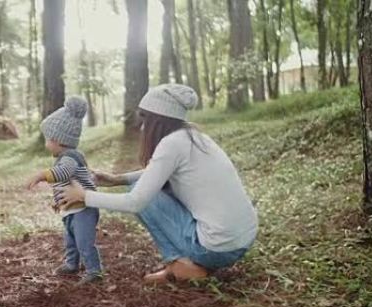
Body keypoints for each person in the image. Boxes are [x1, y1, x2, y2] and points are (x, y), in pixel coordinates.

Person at [57, 84, 258, 283]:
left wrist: (84, 196)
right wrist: (118, 179)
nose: (143, 127)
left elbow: (135, 202)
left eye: (146, 118)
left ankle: (178, 264)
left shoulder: (171, 144)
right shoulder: (195, 137)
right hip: (241, 240)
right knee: (144, 186)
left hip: (215, 248)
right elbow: (159, 172)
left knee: (140, 192)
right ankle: (188, 264)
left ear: (159, 120)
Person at [27, 96, 103, 285]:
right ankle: (72, 264)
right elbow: (65, 183)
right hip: (71, 209)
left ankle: (94, 271)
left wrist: (41, 175)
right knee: (70, 240)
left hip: (84, 209)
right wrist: (58, 200)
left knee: (84, 242)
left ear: (57, 140)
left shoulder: (69, 157)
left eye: (47, 139)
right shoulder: (64, 157)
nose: (46, 144)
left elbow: (63, 173)